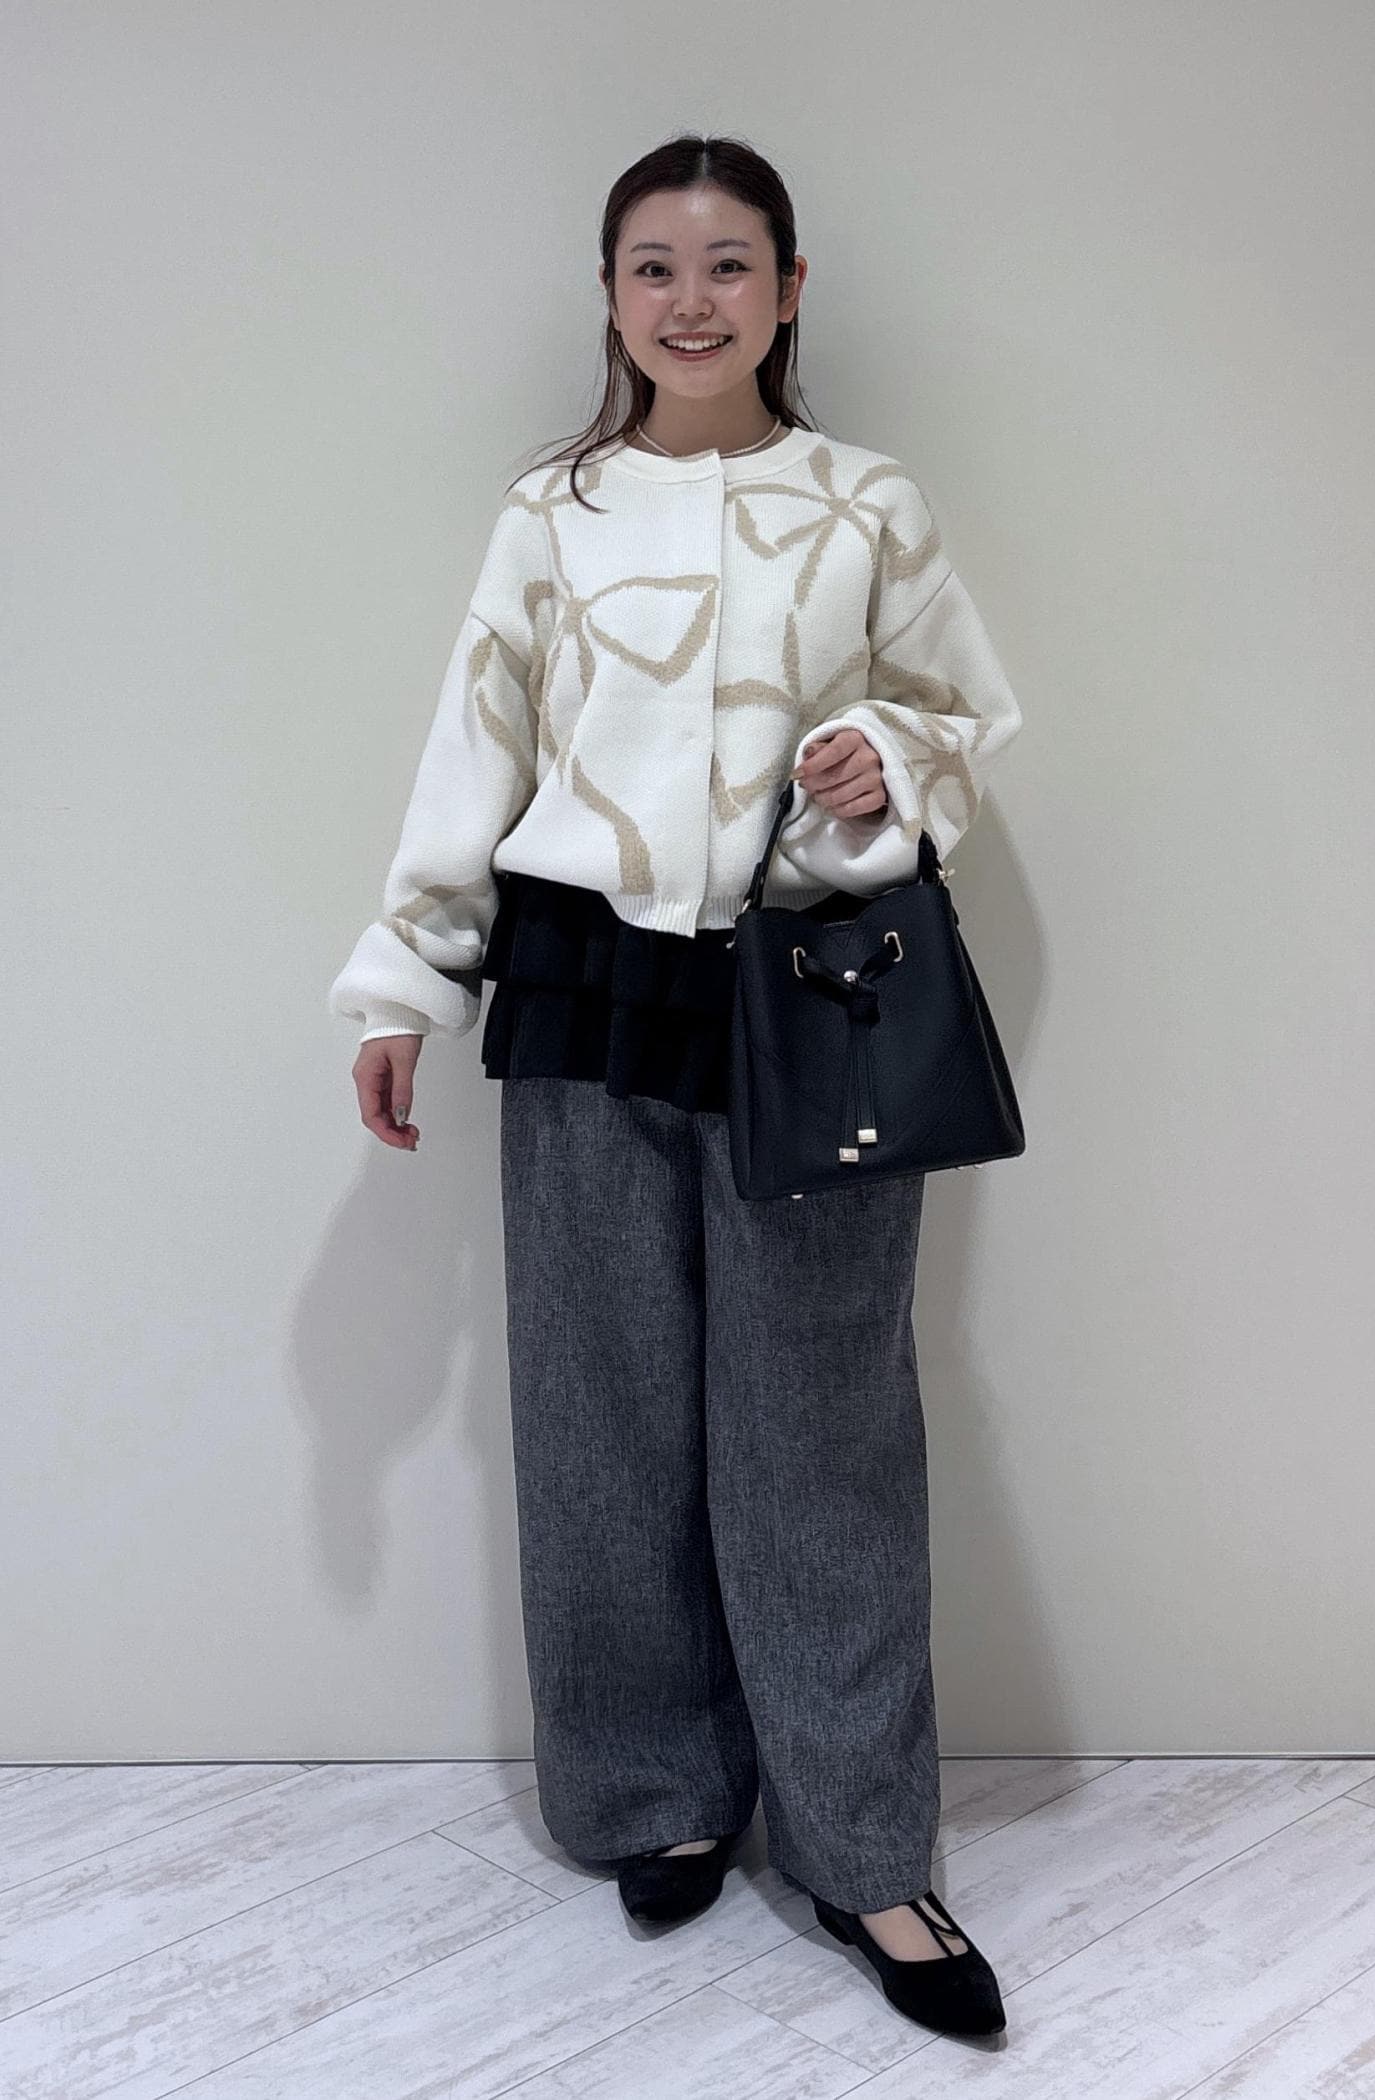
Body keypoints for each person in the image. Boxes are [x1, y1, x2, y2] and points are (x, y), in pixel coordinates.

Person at [328, 132, 1022, 2041]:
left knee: (824, 1431)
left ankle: (864, 1848)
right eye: (655, 266)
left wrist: (885, 753)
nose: (692, 300)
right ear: (611, 295)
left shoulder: (866, 502)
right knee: (602, 1413)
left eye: (729, 265)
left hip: (815, 998)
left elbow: (965, 715)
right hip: (580, 988)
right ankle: (654, 1792)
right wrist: (403, 978)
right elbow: (475, 744)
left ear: (790, 290)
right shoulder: (549, 512)